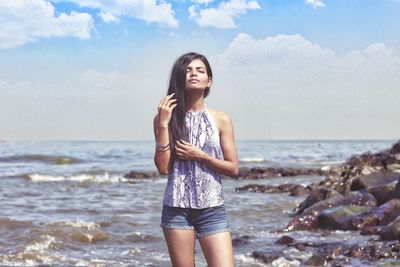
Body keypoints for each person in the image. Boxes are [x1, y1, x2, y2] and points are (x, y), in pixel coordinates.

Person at [153, 52, 238, 267]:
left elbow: (232, 168)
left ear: (209, 81)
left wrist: (200, 156)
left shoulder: (221, 119)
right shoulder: (165, 118)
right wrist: (163, 125)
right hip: (176, 209)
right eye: (188, 70)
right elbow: (163, 167)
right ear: (179, 77)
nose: (194, 74)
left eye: (200, 71)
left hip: (212, 209)